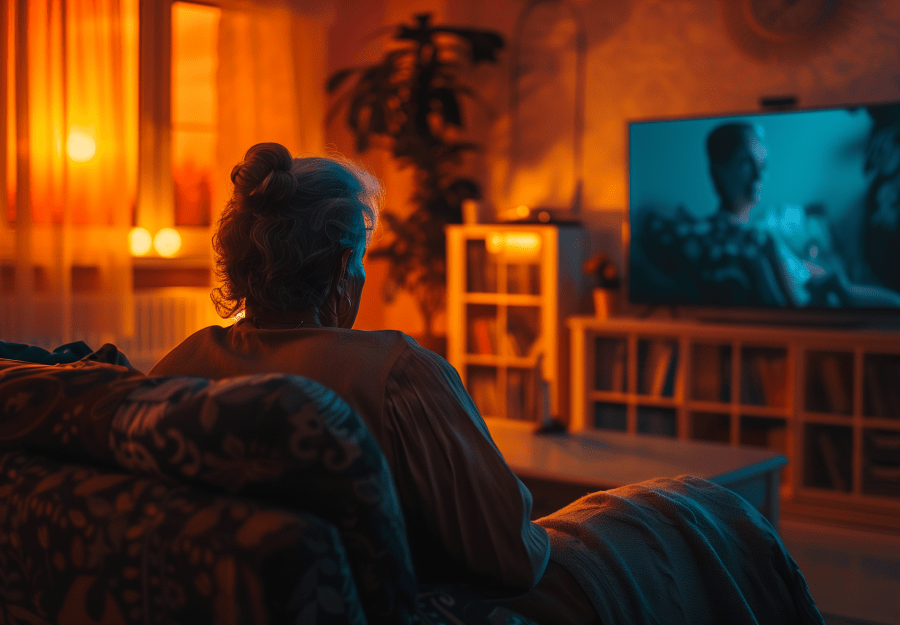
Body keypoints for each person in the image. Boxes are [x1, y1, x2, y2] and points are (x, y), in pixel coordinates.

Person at [150, 143, 598, 624]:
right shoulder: (399, 373)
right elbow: (511, 553)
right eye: (362, 258)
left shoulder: (178, 368)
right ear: (344, 268)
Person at [640, 122, 900, 308]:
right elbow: (793, 303)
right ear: (718, 169)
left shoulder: (764, 233)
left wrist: (820, 271)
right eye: (745, 163)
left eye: (763, 166)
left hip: (834, 290)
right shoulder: (747, 241)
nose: (758, 176)